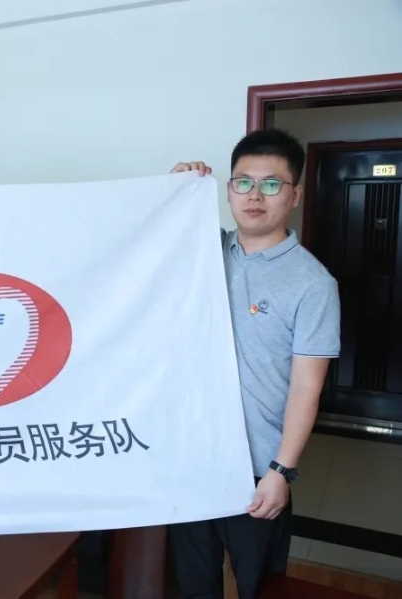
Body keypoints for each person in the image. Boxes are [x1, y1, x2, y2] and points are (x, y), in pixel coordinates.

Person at [167, 129, 341, 599]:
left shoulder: (313, 284)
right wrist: (177, 189)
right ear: (228, 190)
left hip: (258, 469)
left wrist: (282, 471)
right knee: (192, 583)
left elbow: (307, 387)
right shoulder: (203, 251)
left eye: (271, 184)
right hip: (195, 456)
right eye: (243, 182)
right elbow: (149, 243)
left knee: (259, 587)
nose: (255, 196)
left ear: (295, 195)